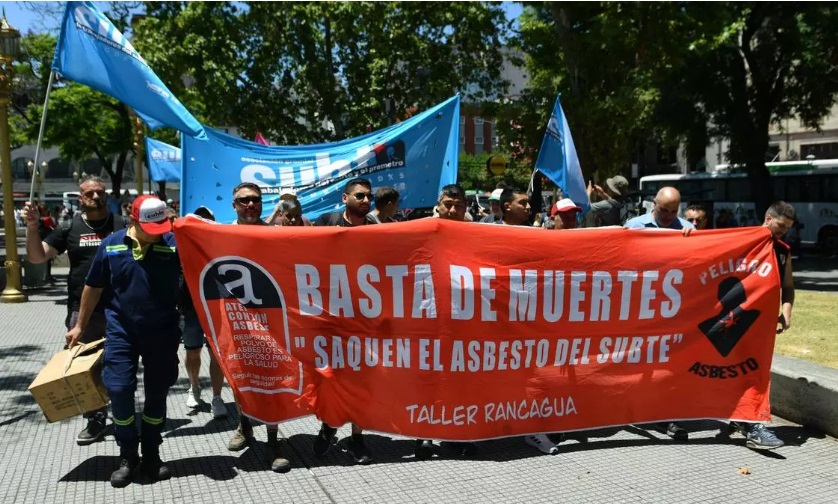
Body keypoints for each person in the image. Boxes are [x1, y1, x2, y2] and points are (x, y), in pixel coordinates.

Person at [66, 195, 180, 487]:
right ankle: (128, 454)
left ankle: (152, 453)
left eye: (161, 226)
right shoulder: (112, 245)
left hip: (162, 332)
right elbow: (93, 286)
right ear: (133, 221)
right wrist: (79, 325)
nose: (158, 234)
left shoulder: (173, 243)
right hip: (121, 332)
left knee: (157, 393)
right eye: (150, 228)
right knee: (118, 390)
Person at [22, 176, 126, 446]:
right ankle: (95, 419)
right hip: (82, 313)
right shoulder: (70, 226)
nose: (95, 197)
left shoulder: (122, 225)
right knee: (84, 369)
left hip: (120, 309)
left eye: (99, 192)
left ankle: (125, 416)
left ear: (107, 195)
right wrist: (33, 227)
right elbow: (36, 256)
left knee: (120, 365)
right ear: (80, 198)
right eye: (89, 193)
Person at [225, 183, 293, 473]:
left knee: (270, 378)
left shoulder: (275, 235)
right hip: (234, 319)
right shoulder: (220, 235)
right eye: (244, 201)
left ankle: (273, 441)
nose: (250, 205)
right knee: (240, 375)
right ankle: (244, 426)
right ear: (234, 205)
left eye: (255, 200)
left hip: (270, 319)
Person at [311, 178, 376, 464]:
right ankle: (329, 426)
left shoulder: (377, 229)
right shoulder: (326, 222)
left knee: (362, 381)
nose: (365, 200)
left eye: (368, 196)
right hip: (331, 318)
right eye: (360, 195)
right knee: (332, 379)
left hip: (366, 320)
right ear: (345, 197)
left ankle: (357, 438)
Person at [727, 202, 796, 450]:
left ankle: (751, 424)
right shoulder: (740, 240)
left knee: (755, 372)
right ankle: (744, 419)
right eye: (780, 225)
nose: (783, 231)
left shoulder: (782, 251)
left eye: (787, 228)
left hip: (761, 325)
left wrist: (786, 311)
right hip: (730, 322)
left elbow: (787, 287)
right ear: (768, 219)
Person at [181, 206, 227, 418]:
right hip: (190, 307)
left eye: (206, 220)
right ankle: (194, 386)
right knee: (192, 351)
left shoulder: (220, 243)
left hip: (216, 306)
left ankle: (217, 397)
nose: (202, 223)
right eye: (199, 220)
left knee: (217, 353)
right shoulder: (182, 242)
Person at [624, 187, 694, 230]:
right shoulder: (633, 226)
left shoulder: (687, 228)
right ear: (654, 204)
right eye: (664, 210)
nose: (669, 216)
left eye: (674, 211)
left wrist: (690, 239)